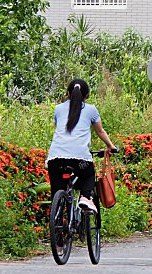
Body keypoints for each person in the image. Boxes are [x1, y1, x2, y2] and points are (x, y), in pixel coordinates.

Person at [46, 78, 115, 213]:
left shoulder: (58, 109)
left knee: (57, 190)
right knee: (89, 175)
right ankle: (85, 197)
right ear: (87, 95)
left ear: (68, 93)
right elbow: (100, 131)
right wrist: (110, 146)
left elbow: (59, 129)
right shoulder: (91, 110)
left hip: (55, 158)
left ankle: (58, 220)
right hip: (80, 159)